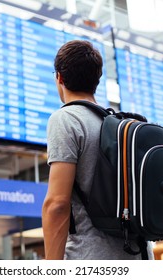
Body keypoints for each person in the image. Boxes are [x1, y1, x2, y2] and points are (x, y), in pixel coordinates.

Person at [42, 40, 154, 260]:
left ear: (59, 78)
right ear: (97, 80)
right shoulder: (120, 126)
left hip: (92, 257)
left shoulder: (66, 119)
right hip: (140, 255)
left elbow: (56, 204)